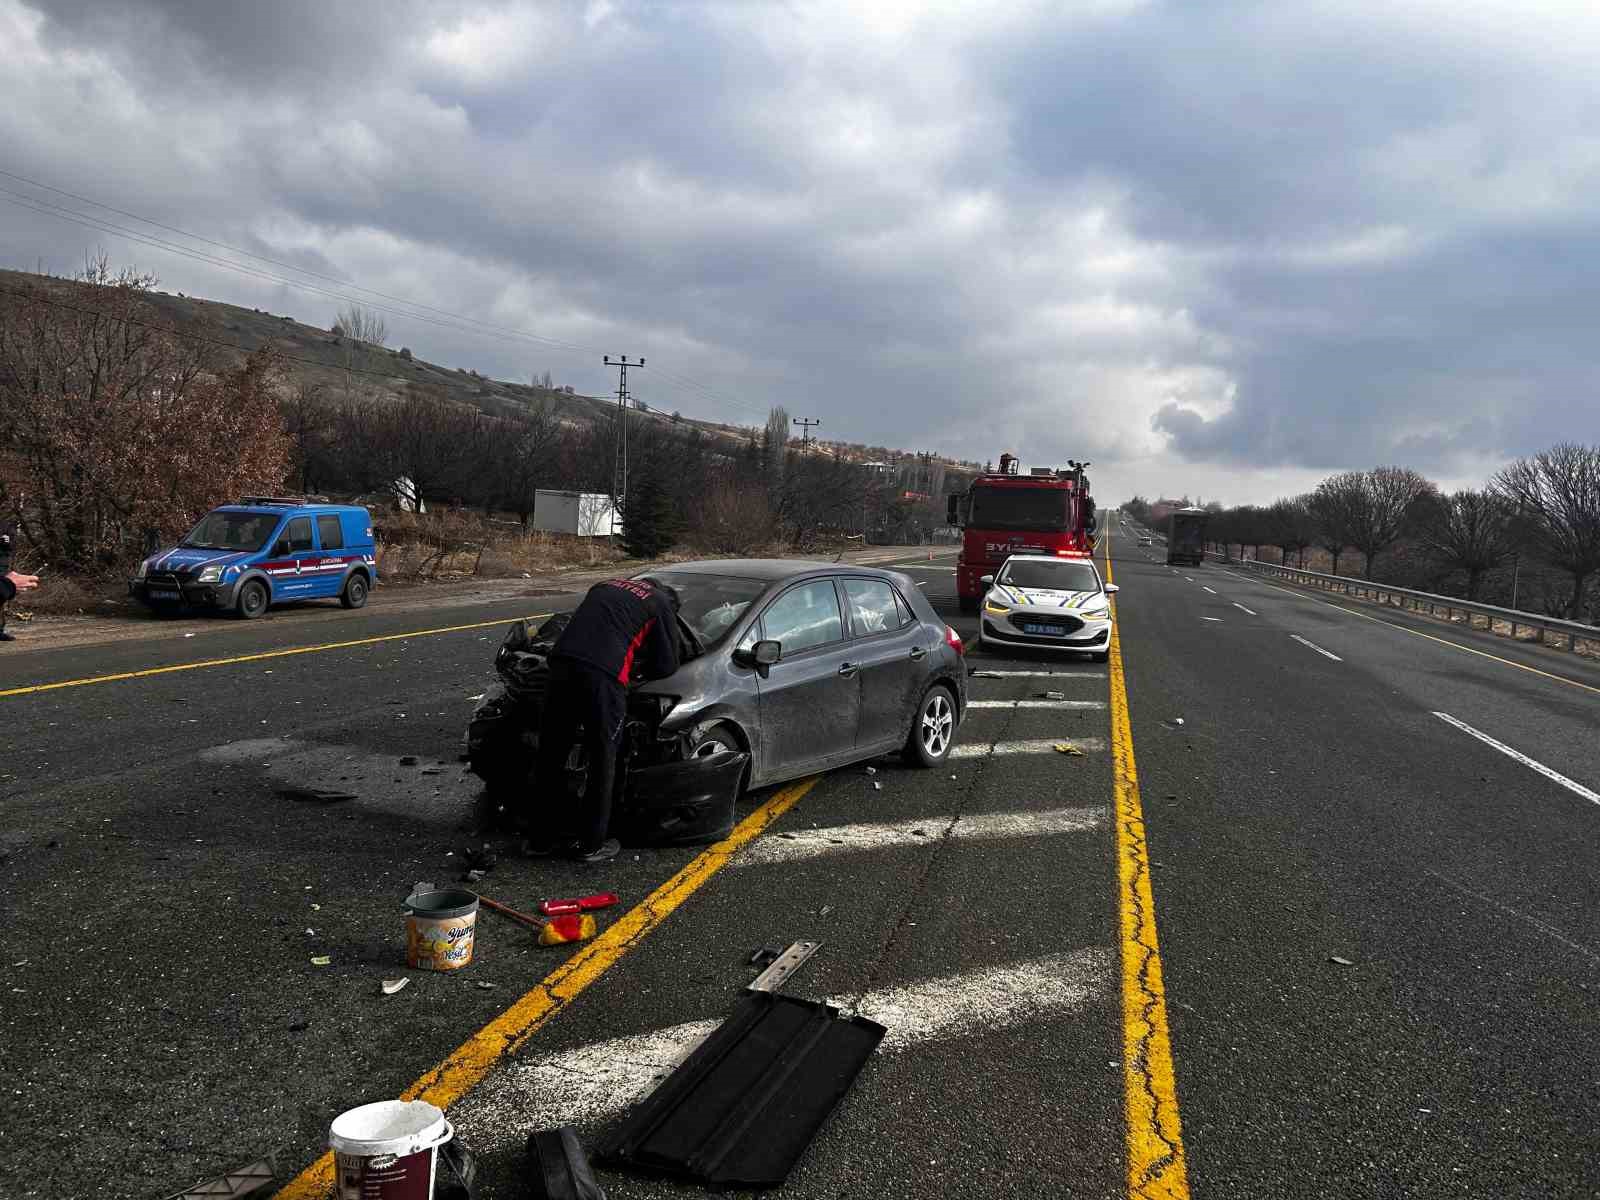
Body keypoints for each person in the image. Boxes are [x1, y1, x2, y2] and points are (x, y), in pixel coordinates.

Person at [530, 576, 682, 862]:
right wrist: (639, 667)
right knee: (603, 759)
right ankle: (591, 844)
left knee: (551, 753)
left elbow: (596, 626)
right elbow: (666, 664)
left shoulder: (606, 584)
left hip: (560, 664)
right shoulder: (661, 602)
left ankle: (539, 840)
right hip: (602, 676)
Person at [0, 524, 40, 643]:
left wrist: (7, 543)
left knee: (2, 600)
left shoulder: (7, 527)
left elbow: (12, 547)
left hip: (3, 568)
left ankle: (0, 630)